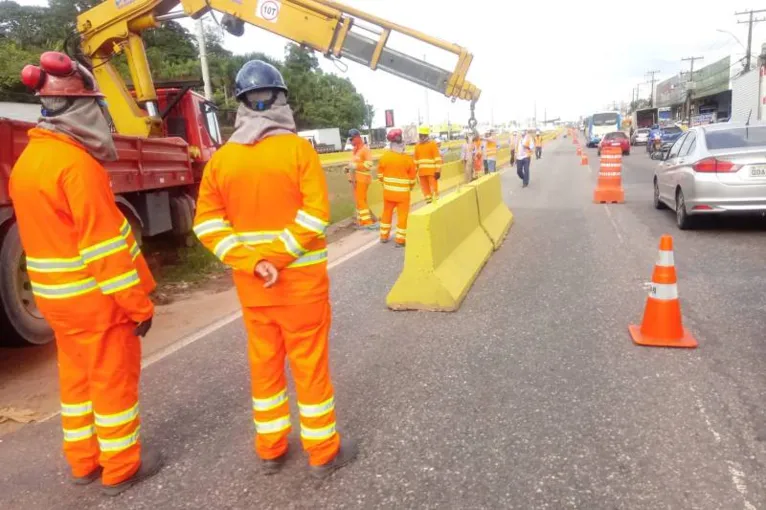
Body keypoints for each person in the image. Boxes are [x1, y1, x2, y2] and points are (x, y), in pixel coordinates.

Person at [193, 59, 357, 479]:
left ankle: (271, 449)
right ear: (281, 99)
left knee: (264, 366)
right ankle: (322, 453)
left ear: (242, 104)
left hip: (254, 291)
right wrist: (278, 258)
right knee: (310, 366)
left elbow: (207, 225)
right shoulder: (299, 150)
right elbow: (316, 214)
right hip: (301, 288)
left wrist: (253, 262)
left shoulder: (222, 160)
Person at [11, 51, 160, 496]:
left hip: (56, 302)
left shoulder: (27, 163)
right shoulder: (78, 167)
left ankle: (83, 461)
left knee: (76, 383)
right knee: (112, 382)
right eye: (96, 106)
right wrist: (138, 305)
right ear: (81, 108)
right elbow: (106, 251)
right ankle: (120, 467)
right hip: (98, 303)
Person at [378, 128, 417, 247]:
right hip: (403, 195)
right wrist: (409, 187)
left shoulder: (384, 157)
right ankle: (400, 240)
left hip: (388, 193)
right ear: (402, 143)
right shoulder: (408, 160)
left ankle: (384, 236)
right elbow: (412, 180)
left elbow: (380, 176)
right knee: (402, 216)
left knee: (386, 213)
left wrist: (388, 185)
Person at [346, 129, 375, 228]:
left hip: (363, 179)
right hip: (355, 180)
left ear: (357, 137)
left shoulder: (365, 150)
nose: (351, 142)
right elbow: (353, 164)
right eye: (350, 140)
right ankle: (362, 221)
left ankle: (367, 222)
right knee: (359, 201)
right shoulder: (355, 151)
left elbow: (369, 164)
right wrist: (347, 168)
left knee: (361, 200)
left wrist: (355, 166)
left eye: (352, 139)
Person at [413, 125, 442, 204]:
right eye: (420, 135)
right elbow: (415, 161)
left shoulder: (432, 144)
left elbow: (438, 159)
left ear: (427, 135)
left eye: (423, 135)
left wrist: (438, 171)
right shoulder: (417, 146)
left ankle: (435, 203)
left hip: (432, 173)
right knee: (425, 191)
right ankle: (429, 203)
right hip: (422, 173)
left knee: (433, 189)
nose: (422, 137)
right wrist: (414, 173)